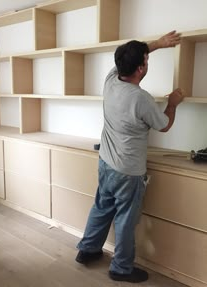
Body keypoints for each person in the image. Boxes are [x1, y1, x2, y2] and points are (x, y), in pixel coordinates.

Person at [75, 31, 185, 283]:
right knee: (126, 219)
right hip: (128, 171)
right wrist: (174, 102)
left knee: (102, 208)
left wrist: (157, 44)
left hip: (105, 162)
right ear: (140, 69)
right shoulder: (141, 99)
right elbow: (164, 124)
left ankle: (88, 250)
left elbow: (131, 56)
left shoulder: (110, 80)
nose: (148, 62)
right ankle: (121, 268)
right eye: (146, 60)